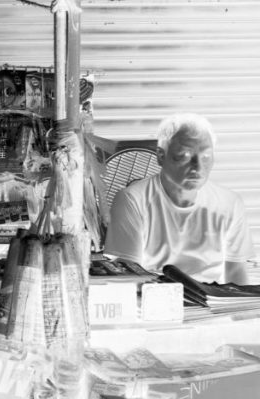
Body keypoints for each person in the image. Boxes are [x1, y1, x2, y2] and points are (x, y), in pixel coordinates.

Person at [105, 113, 253, 284]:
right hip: (155, 296)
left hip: (211, 301)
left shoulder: (230, 202)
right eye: (184, 156)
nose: (197, 167)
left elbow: (236, 273)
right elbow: (131, 275)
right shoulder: (132, 199)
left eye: (206, 157)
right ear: (161, 156)